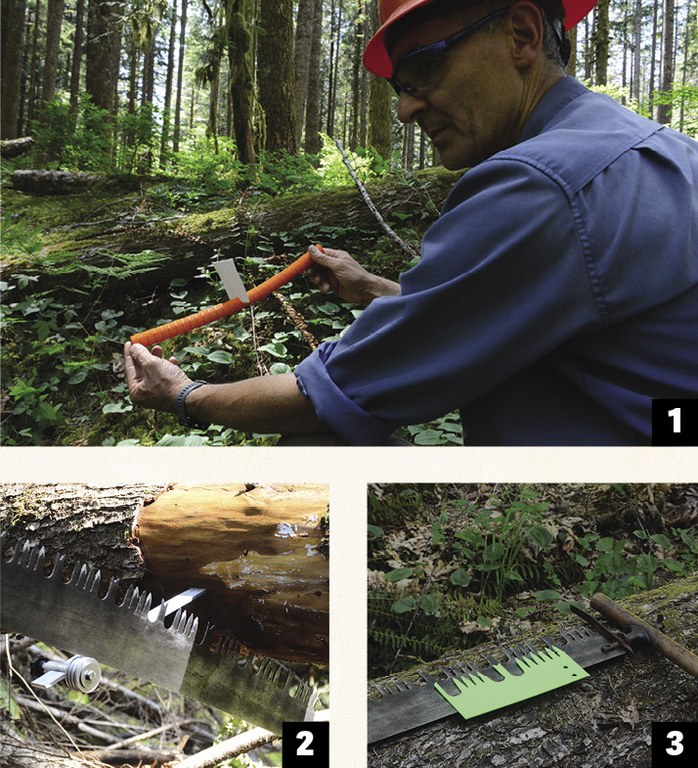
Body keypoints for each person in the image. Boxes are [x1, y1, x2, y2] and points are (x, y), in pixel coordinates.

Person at [125, 0, 698, 445]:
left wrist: (185, 394)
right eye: (399, 86)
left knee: (321, 441)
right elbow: (528, 315)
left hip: (622, 501)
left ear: (522, 35)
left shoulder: (538, 186)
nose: (405, 109)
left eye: (426, 65)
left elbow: (333, 394)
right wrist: (377, 289)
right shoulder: (663, 149)